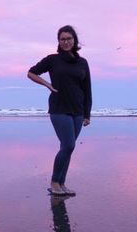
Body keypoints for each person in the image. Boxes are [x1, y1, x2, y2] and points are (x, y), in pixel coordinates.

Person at [27, 25, 92, 196]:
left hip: (77, 110)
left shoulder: (82, 62)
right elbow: (31, 73)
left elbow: (87, 89)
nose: (66, 42)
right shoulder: (52, 60)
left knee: (69, 147)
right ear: (58, 41)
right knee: (68, 145)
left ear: (74, 40)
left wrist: (87, 114)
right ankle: (55, 182)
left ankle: (62, 184)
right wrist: (47, 84)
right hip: (59, 108)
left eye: (69, 38)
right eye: (62, 39)